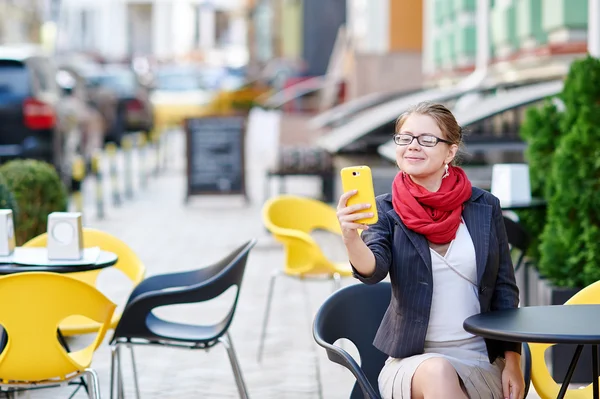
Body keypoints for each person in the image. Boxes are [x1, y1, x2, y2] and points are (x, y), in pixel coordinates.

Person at [336, 102, 524, 399]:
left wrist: (513, 361)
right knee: (437, 371)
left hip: (480, 359)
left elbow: (504, 291)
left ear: (450, 151)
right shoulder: (385, 209)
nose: (412, 146)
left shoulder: (484, 206)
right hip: (413, 363)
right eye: (405, 138)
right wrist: (350, 236)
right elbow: (373, 270)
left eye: (426, 139)